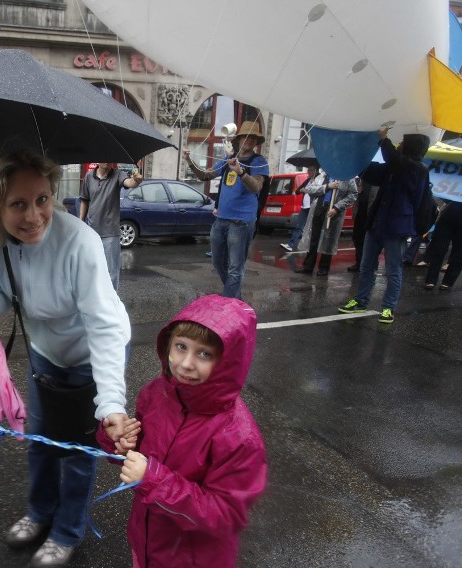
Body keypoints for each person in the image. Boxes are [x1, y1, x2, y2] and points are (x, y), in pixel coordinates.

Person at [0, 148, 131, 567]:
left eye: (42, 199)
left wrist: (110, 402)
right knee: (39, 443)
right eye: (18, 204)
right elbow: (1, 301)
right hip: (43, 356)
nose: (34, 216)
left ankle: (67, 530)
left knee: (76, 454)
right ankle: (40, 514)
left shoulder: (80, 242)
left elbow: (105, 326)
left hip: (90, 358)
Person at [98, 294, 267, 568]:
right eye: (180, 346)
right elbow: (138, 459)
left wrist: (153, 480)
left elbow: (226, 517)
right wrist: (118, 441)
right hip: (146, 543)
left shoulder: (238, 437)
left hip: (192, 559)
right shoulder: (156, 394)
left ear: (228, 362)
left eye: (204, 354)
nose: (186, 363)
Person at [338, 129, 431, 324]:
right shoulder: (396, 165)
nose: (399, 145)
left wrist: (383, 140)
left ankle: (388, 308)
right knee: (366, 266)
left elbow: (397, 161)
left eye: (403, 142)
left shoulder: (417, 169)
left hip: (396, 227)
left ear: (411, 146)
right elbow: (372, 173)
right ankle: (361, 301)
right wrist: (358, 159)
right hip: (377, 224)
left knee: (393, 270)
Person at [183, 120, 270, 299]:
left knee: (235, 267)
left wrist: (241, 172)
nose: (249, 140)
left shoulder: (259, 161)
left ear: (256, 142)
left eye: (253, 138)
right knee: (217, 262)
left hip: (242, 222)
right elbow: (205, 175)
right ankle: (235, 298)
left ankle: (229, 304)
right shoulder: (228, 159)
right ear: (239, 139)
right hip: (221, 219)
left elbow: (256, 187)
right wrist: (190, 162)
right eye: (246, 137)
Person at [78, 163, 142, 291]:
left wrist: (136, 181)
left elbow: (129, 183)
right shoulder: (89, 176)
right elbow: (85, 200)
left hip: (110, 233)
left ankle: (112, 303)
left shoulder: (117, 174)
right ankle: (95, 299)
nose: (106, 161)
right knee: (92, 269)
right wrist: (80, 223)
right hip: (92, 232)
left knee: (111, 272)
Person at [295, 175, 358, 276]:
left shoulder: (347, 177)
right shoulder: (322, 176)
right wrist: (328, 186)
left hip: (333, 212)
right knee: (314, 239)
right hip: (319, 210)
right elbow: (310, 189)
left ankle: (324, 267)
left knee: (328, 240)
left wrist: (337, 208)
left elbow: (353, 195)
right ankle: (308, 266)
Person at [280, 162, 322, 252]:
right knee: (299, 226)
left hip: (313, 207)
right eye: (308, 170)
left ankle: (311, 246)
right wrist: (303, 190)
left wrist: (309, 189)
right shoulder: (307, 180)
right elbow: (298, 191)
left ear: (315, 171)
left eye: (310, 170)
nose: (308, 172)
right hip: (304, 207)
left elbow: (319, 191)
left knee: (311, 227)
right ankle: (290, 245)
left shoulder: (319, 180)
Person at [424, 200, 461, 291]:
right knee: (439, 248)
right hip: (449, 214)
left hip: (450, 212)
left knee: (459, 252)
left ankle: (447, 282)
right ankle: (432, 280)